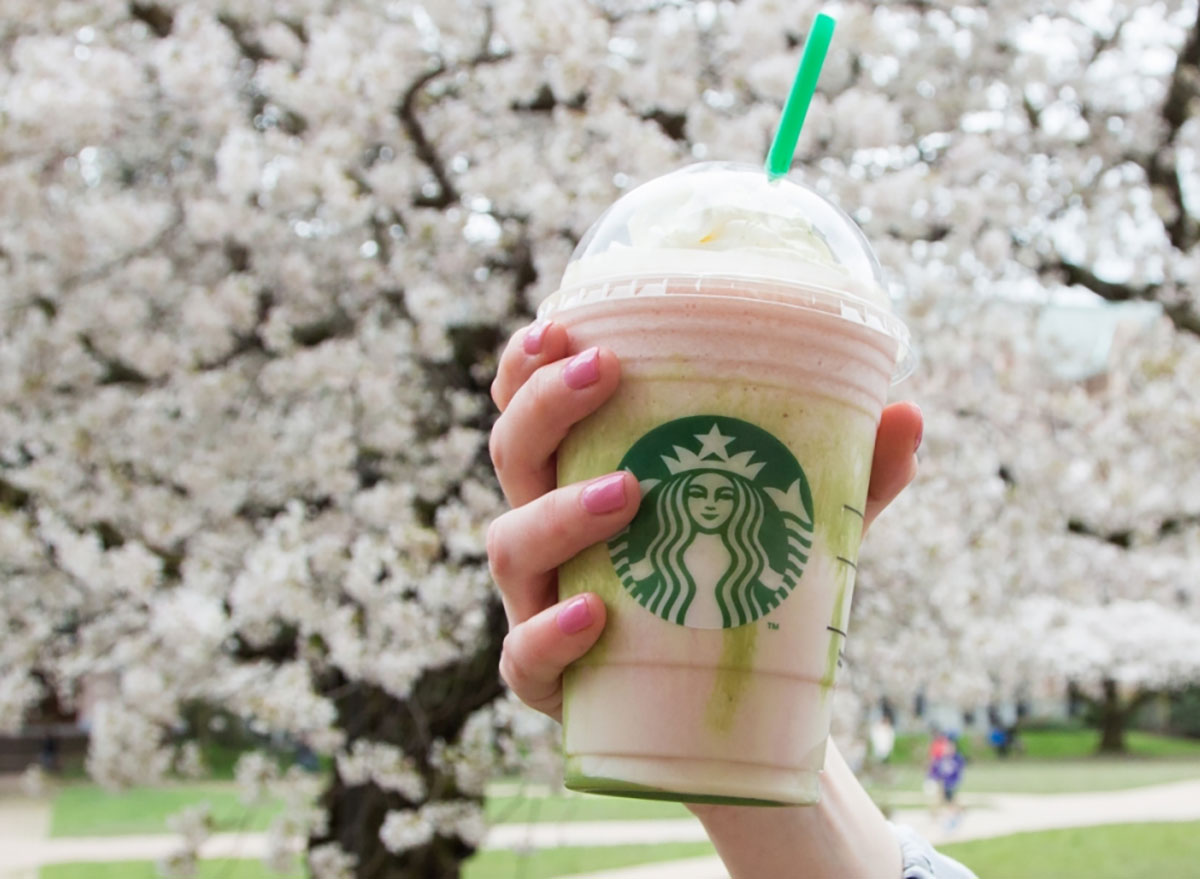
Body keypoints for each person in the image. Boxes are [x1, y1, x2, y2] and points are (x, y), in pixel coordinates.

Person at [486, 321, 977, 879]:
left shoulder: (747, 562)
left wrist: (753, 741)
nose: (710, 501)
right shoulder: (672, 561)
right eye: (697, 489)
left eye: (726, 491)